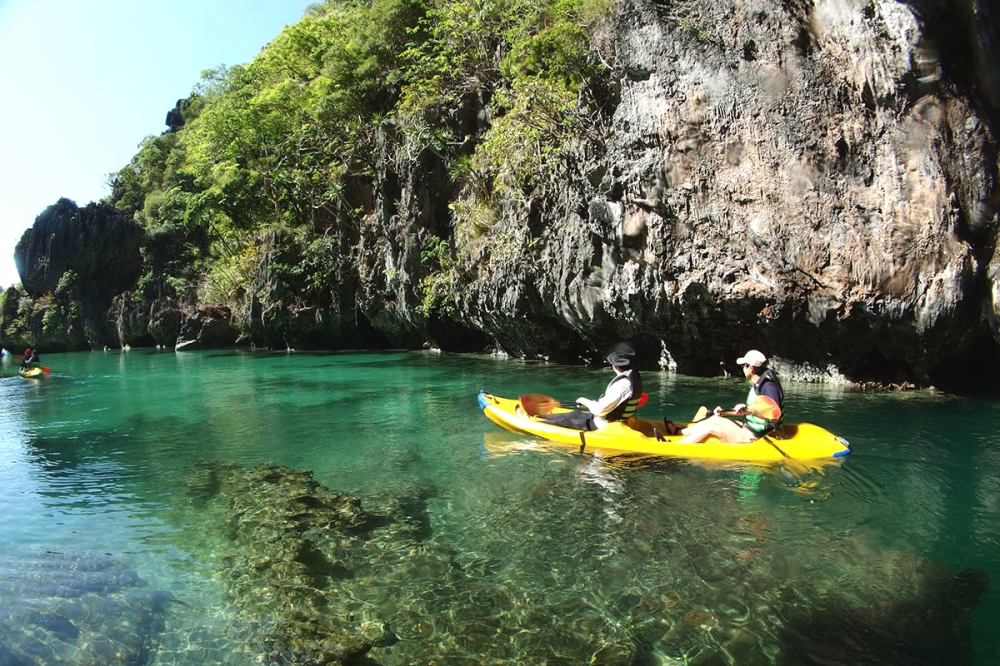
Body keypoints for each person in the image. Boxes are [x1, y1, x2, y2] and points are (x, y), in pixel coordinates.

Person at [678, 349, 784, 443]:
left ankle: (677, 447)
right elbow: (751, 411)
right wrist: (725, 413)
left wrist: (747, 409)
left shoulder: (769, 387)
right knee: (714, 419)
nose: (743, 369)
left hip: (757, 436)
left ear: (751, 368)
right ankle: (680, 432)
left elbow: (775, 415)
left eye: (744, 366)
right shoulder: (758, 384)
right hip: (749, 428)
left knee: (712, 427)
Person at [539, 342, 643, 431]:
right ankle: (538, 417)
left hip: (604, 425)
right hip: (610, 420)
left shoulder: (622, 384)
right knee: (574, 414)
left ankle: (534, 422)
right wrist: (590, 404)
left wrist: (585, 401)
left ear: (615, 365)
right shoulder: (634, 377)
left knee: (565, 421)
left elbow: (600, 409)